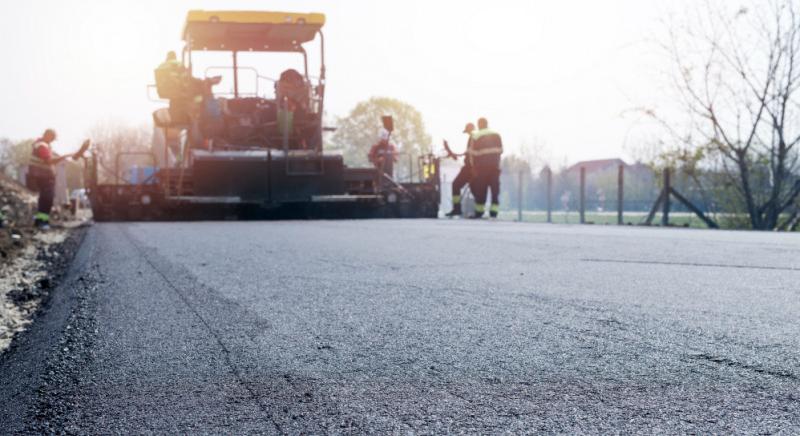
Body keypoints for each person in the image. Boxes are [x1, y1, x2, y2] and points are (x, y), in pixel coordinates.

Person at [468, 117, 503, 218]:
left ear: (479, 124)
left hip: (481, 168)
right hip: (495, 167)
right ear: (487, 123)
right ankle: (494, 212)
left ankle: (479, 212)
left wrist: (473, 168)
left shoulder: (476, 136)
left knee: (481, 190)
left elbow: (472, 154)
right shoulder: (497, 134)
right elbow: (500, 150)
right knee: (495, 189)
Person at [27, 129, 59, 229]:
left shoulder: (44, 145)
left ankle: (40, 221)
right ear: (47, 136)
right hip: (43, 177)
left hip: (44, 177)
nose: (52, 141)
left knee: (45, 198)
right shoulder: (42, 146)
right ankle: (42, 222)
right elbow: (49, 160)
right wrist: (65, 156)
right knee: (47, 198)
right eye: (52, 138)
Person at [444, 122, 476, 217]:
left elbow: (471, 154)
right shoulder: (473, 138)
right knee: (474, 188)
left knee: (456, 185)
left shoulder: (473, 138)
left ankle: (457, 209)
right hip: (472, 167)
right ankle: (477, 211)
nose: (467, 133)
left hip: (470, 168)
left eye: (468, 131)